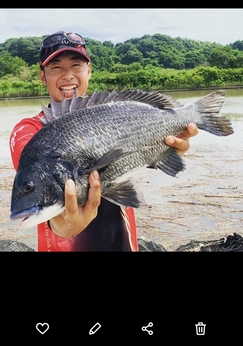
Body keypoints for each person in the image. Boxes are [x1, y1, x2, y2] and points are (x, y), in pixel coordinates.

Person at [9, 31, 199, 252]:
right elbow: (55, 218)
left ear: (88, 71)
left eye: (76, 66)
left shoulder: (109, 114)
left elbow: (134, 155)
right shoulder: (29, 131)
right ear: (43, 76)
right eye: (56, 67)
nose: (67, 76)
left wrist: (169, 150)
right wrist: (67, 225)